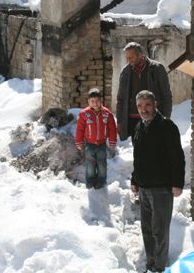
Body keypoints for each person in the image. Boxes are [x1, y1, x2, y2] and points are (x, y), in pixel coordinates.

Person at [130, 90, 185, 273]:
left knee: (159, 231)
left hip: (161, 188)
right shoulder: (139, 127)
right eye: (140, 106)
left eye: (147, 105)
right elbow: (137, 157)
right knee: (146, 230)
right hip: (144, 187)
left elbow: (177, 157)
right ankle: (150, 263)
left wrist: (177, 183)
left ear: (155, 105)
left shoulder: (167, 127)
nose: (143, 109)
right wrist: (134, 179)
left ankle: (160, 267)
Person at [116, 42, 172, 141]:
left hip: (153, 117)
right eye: (127, 58)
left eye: (131, 57)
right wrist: (120, 121)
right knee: (137, 150)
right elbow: (120, 99)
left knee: (154, 149)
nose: (128, 61)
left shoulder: (157, 69)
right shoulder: (125, 72)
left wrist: (166, 119)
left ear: (140, 55)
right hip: (133, 119)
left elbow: (166, 96)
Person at [75, 88, 117, 189]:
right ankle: (90, 181)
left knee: (102, 164)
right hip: (89, 144)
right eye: (92, 101)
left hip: (102, 144)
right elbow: (79, 129)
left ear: (101, 100)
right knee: (90, 165)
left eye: (97, 101)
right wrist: (79, 142)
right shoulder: (84, 114)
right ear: (88, 101)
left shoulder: (107, 113)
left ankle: (101, 181)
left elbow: (112, 128)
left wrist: (112, 140)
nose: (95, 103)